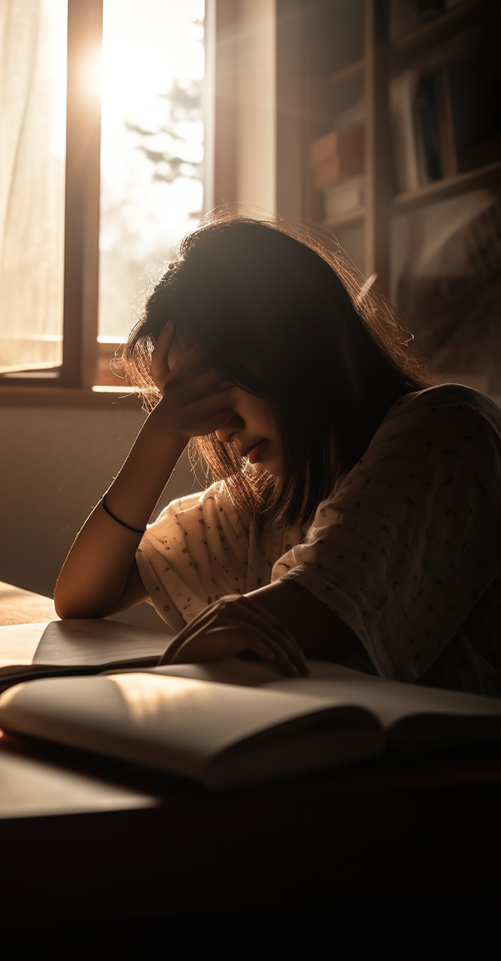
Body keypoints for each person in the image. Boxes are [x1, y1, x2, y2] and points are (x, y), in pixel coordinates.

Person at [54, 216, 501, 694]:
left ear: (290, 345)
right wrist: (162, 432)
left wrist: (196, 651)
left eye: (214, 388)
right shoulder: (266, 501)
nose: (218, 428)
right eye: (191, 403)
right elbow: (80, 595)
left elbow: (317, 616)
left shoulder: (444, 429)